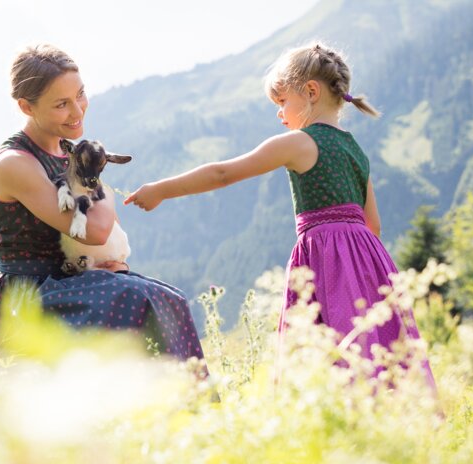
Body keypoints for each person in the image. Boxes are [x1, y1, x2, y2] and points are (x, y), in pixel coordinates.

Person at [125, 42, 436, 386]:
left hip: (325, 262)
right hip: (370, 267)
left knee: (322, 356)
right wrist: (358, 267)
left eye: (282, 101)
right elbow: (372, 225)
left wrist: (160, 190)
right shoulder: (355, 149)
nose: (279, 113)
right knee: (370, 351)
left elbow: (223, 174)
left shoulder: (299, 143)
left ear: (312, 92)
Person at [0, 44, 206, 363]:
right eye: (62, 104)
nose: (77, 111)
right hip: (32, 293)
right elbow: (96, 229)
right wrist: (95, 174)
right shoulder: (15, 163)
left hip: (72, 278)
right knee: (144, 299)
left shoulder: (68, 152)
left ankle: (184, 406)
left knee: (170, 300)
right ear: (26, 107)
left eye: (80, 95)